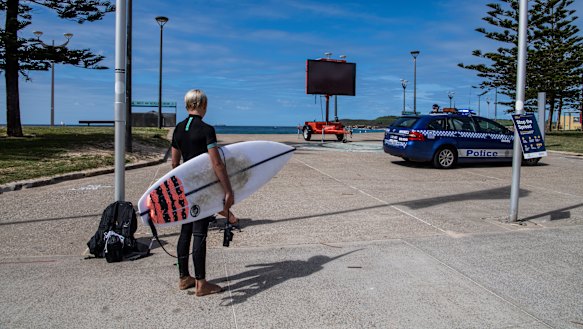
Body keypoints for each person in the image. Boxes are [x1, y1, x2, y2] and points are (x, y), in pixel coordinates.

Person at [171, 89, 238, 296]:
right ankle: (201, 283)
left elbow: (174, 163)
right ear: (203, 106)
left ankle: (184, 278)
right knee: (200, 233)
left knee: (185, 231)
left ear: (187, 105)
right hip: (202, 188)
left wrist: (178, 189)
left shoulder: (178, 129)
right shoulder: (207, 129)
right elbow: (216, 163)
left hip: (185, 187)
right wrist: (228, 190)